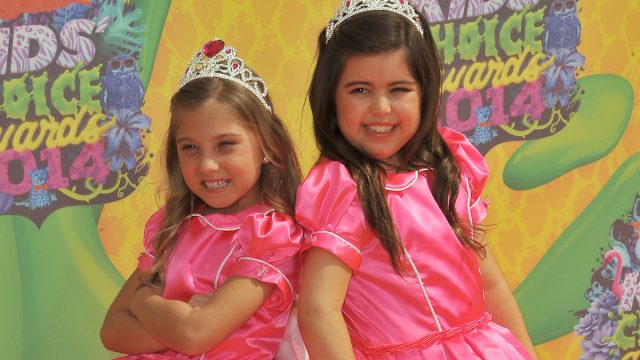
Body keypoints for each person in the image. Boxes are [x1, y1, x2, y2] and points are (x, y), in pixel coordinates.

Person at [295, 0, 537, 359]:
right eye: (360, 90)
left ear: (425, 93)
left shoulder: (446, 170)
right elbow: (318, 311)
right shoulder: (344, 191)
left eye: (399, 89)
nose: (380, 108)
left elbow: (491, 282)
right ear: (330, 98)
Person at [100, 37, 304, 359]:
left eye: (225, 144)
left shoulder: (270, 237)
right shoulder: (173, 226)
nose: (207, 165)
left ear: (269, 146)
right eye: (190, 147)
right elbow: (112, 330)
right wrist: (175, 323)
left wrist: (144, 301)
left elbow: (195, 335)